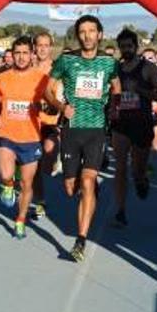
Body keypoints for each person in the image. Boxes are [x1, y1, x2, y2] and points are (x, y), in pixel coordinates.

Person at [44, 15, 121, 262]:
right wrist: (60, 105)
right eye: (82, 31)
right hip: (71, 129)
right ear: (78, 35)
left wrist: (114, 107)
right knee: (70, 188)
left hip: (96, 130)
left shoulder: (109, 62)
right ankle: (87, 187)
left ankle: (81, 239)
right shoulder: (66, 60)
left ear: (100, 34)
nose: (87, 35)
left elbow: (117, 87)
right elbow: (47, 89)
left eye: (92, 31)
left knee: (87, 182)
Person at [0, 37, 49, 239]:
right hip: (6, 134)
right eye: (17, 53)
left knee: (26, 184)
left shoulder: (41, 78)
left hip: (30, 137)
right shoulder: (2, 77)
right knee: (6, 175)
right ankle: (7, 185)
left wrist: (44, 109)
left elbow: (50, 102)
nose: (21, 57)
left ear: (31, 54)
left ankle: (20, 219)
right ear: (12, 55)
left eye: (25, 53)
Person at [110, 29, 157, 227]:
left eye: (129, 46)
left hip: (142, 124)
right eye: (123, 46)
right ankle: (120, 211)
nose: (126, 49)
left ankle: (141, 180)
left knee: (138, 169)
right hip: (120, 125)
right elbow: (110, 95)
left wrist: (140, 90)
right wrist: (111, 109)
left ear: (136, 47)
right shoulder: (115, 68)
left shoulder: (148, 68)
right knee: (119, 169)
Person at [32, 32, 60, 217]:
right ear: (35, 47)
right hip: (31, 122)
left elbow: (62, 96)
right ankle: (40, 201)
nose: (42, 49)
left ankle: (56, 161)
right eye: (39, 45)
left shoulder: (57, 69)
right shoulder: (28, 68)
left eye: (46, 45)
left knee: (47, 166)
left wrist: (51, 103)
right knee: (34, 166)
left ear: (51, 47)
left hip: (51, 122)